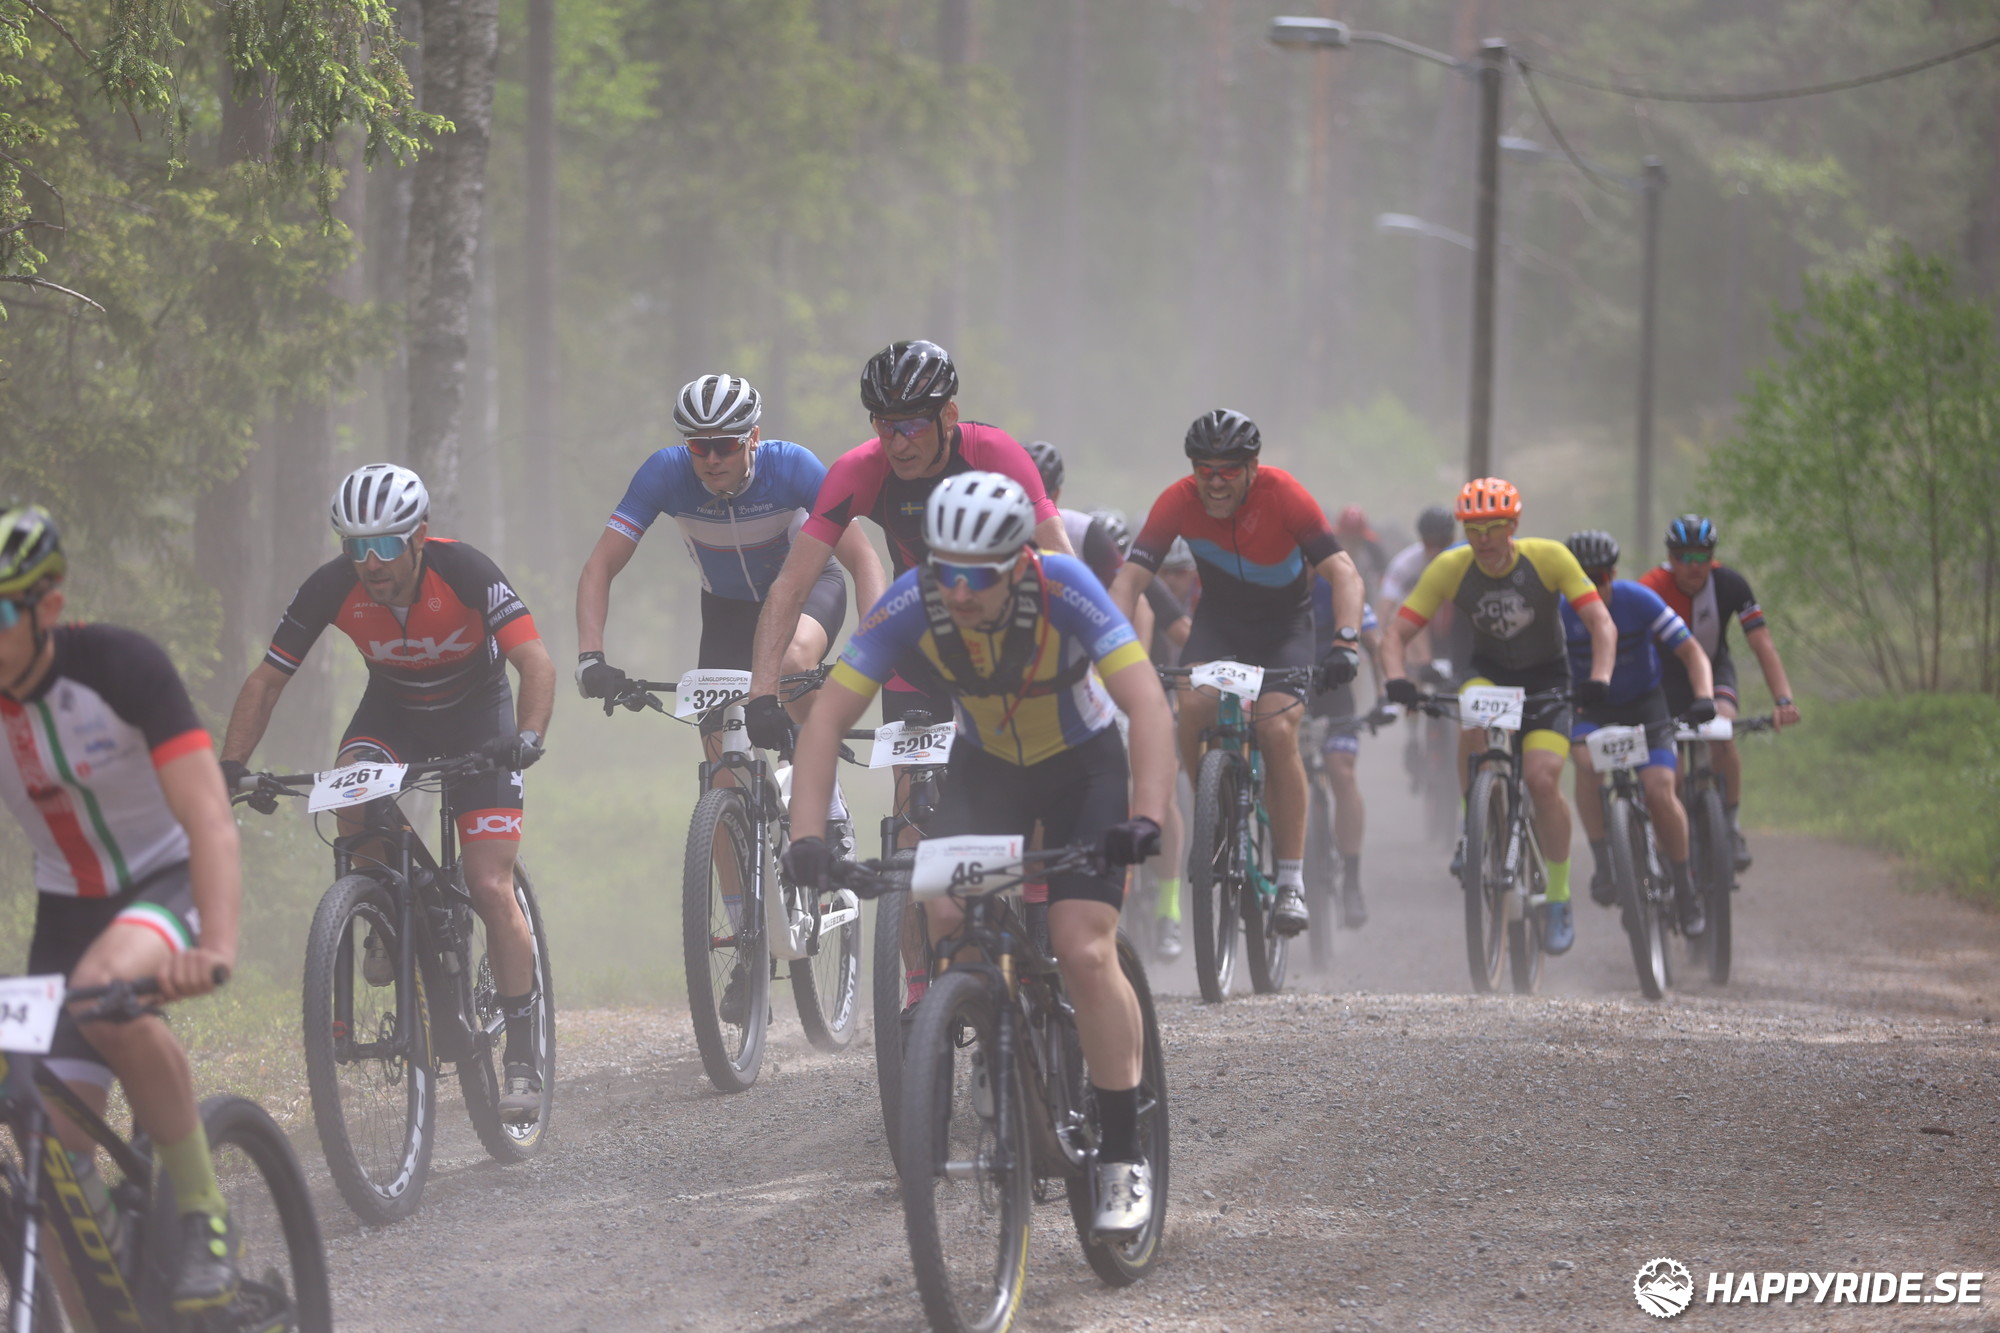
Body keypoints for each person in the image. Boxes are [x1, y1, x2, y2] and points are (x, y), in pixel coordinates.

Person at [782, 473, 1176, 1236]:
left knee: (1082, 948)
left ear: (1021, 562)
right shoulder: (912, 599)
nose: (958, 592)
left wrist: (1146, 818)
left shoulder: (1066, 587)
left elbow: (1147, 704)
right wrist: (806, 839)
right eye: (946, 571)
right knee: (946, 913)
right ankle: (994, 1038)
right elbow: (827, 719)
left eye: (979, 575)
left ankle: (1125, 1151)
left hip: (1083, 767)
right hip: (988, 767)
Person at [219, 464, 556, 1118]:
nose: (368, 562)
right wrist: (231, 766)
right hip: (393, 713)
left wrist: (527, 736)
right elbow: (266, 680)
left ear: (418, 536)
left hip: (478, 717)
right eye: (355, 545)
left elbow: (535, 661)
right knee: (348, 793)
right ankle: (383, 904)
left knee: (489, 884)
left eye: (383, 545)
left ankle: (521, 1054)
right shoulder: (332, 586)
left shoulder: (466, 571)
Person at [0, 505, 243, 1310]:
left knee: (104, 991)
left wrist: (216, 945)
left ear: (50, 606)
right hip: (65, 908)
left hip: (164, 878)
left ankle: (205, 1213)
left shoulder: (120, 666)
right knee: (51, 1162)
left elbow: (209, 816)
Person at [1110, 409, 1366, 937]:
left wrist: (1345, 642)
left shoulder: (1283, 493)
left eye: (1228, 470)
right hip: (1220, 625)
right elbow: (1129, 581)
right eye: (1204, 470)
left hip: (1285, 627)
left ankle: (1290, 880)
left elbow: (1344, 573)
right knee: (1192, 704)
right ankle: (1211, 809)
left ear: (1253, 467)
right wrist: (1110, 648)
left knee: (1277, 730)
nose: (1215, 482)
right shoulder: (1178, 500)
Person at [743, 340, 1072, 747]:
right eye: (885, 425)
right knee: (909, 779)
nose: (898, 444)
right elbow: (792, 585)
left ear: (948, 416)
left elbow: (1060, 562)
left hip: (1001, 628)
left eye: (913, 426)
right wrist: (762, 694)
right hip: (918, 633)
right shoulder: (858, 471)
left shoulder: (993, 453)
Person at [1378, 478, 1616, 955]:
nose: (1483, 539)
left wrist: (1600, 677)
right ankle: (1473, 828)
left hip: (1547, 678)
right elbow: (1396, 634)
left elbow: (1600, 623)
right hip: (1487, 673)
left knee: (1543, 782)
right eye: (1473, 529)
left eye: (1493, 527)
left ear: (1514, 525)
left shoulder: (1549, 558)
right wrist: (1397, 679)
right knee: (1474, 721)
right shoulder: (1451, 567)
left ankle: (1558, 895)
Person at [1561, 531, 1717, 935]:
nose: (1591, 587)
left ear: (1612, 575)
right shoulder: (1558, 611)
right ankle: (1604, 863)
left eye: (1598, 578)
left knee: (1660, 792)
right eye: (1580, 578)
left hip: (1645, 704)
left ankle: (1684, 888)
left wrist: (1704, 695)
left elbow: (1691, 651)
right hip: (1592, 708)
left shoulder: (1637, 600)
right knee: (1585, 764)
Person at [1638, 515, 1800, 871]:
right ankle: (1670, 845)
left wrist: (1783, 700)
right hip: (1663, 681)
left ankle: (1730, 826)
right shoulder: (1651, 587)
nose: (1693, 566)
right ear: (1670, 557)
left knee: (1722, 734)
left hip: (1713, 671)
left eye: (1702, 557)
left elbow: (1762, 643)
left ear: (1713, 557)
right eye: (1683, 558)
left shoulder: (1730, 584)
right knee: (1673, 774)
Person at [1305, 576, 1382, 928]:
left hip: (1333, 691)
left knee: (1341, 771)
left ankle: (1351, 879)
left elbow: (1373, 641)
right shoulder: (1270, 578)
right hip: (1286, 689)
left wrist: (1384, 696)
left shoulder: (1335, 582)